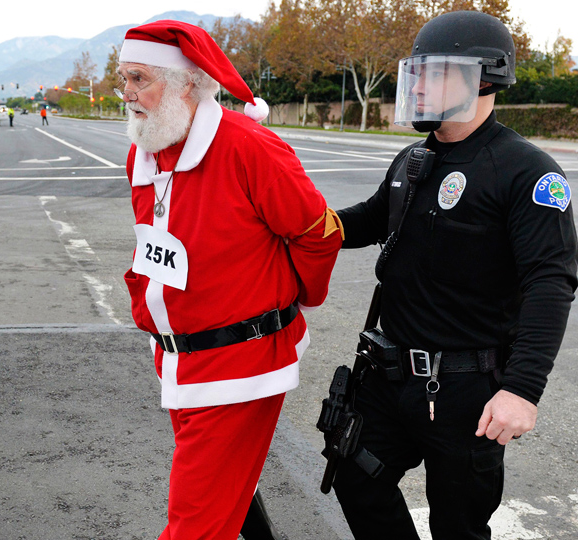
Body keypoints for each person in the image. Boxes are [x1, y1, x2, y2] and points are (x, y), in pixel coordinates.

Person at [332, 11, 578, 540]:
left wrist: (523, 391)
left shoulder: (526, 171)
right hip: (387, 376)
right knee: (354, 478)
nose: (420, 85)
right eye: (416, 72)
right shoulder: (413, 159)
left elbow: (550, 282)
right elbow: (364, 222)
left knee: (458, 527)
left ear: (485, 77)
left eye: (435, 72)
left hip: (467, 391)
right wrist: (289, 219)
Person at [117, 20, 342, 539]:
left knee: (194, 524)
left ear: (187, 85)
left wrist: (295, 303)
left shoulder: (249, 147)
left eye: (139, 79)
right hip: (177, 357)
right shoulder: (145, 148)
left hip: (240, 364)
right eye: (122, 78)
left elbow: (317, 233)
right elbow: (154, 241)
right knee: (222, 497)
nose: (126, 93)